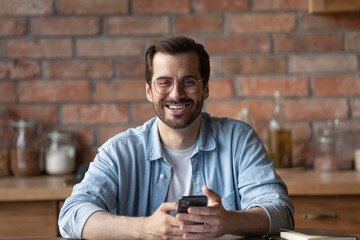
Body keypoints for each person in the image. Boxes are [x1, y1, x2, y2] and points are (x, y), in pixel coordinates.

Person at [58, 36, 294, 239]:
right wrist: (144, 229)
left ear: (206, 88)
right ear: (149, 91)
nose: (176, 94)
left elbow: (281, 212)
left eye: (188, 82)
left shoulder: (239, 140)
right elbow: (72, 215)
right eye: (164, 82)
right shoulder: (120, 152)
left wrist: (228, 221)